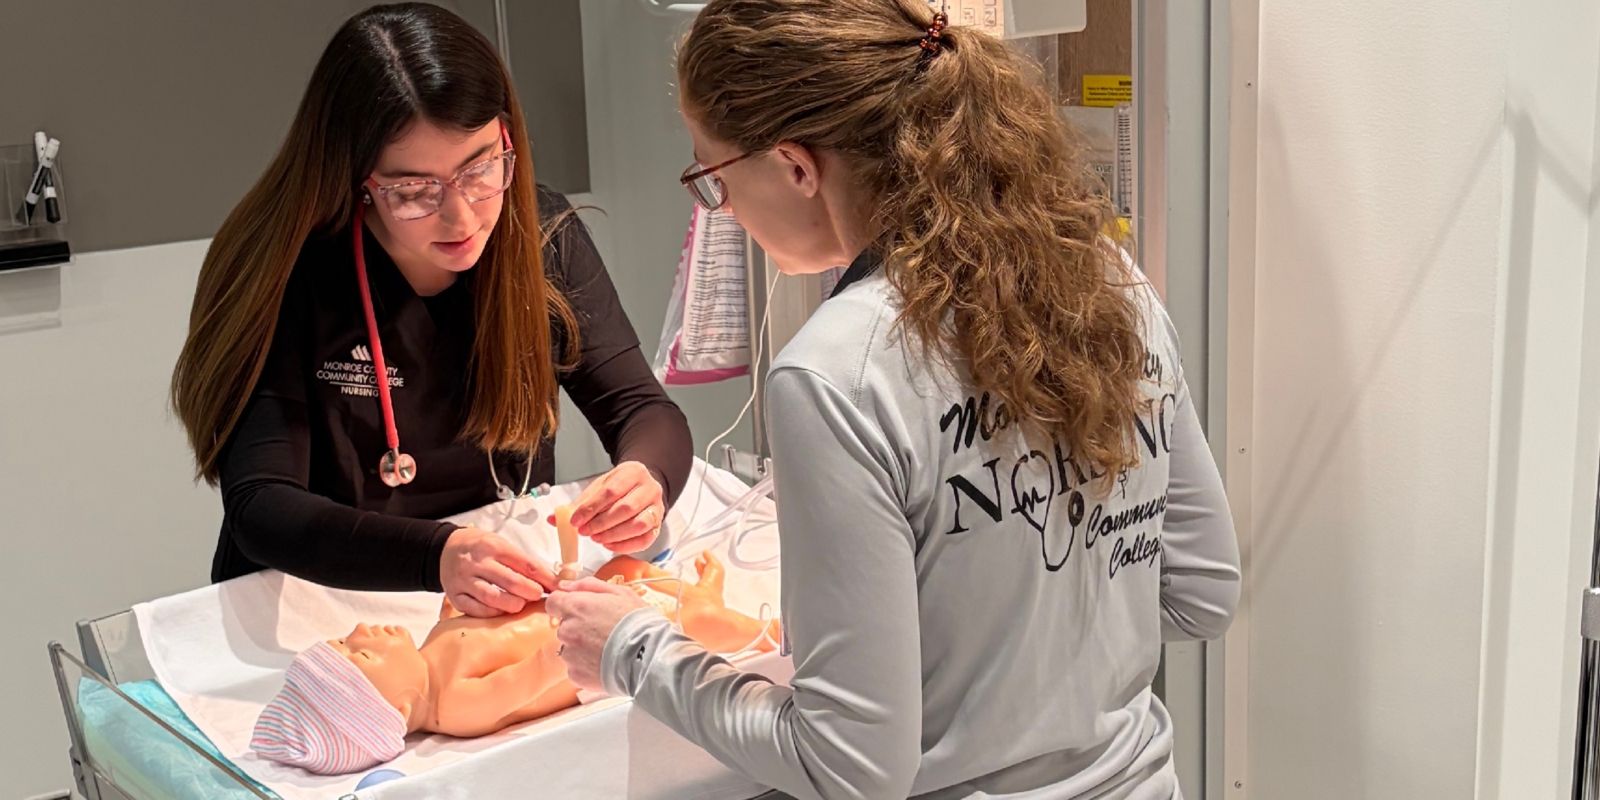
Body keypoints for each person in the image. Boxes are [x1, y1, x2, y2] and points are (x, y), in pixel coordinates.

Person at [547, 2, 1241, 799]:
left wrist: (632, 650)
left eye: (714, 180)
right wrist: (1031, 645)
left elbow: (851, 767)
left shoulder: (836, 372)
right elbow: (1200, 592)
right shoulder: (1111, 283)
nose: (723, 212)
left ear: (796, 166)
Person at [170, 3, 692, 619]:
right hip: (319, 604)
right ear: (357, 177)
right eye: (415, 192)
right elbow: (263, 507)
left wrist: (646, 477)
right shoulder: (287, 268)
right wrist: (436, 557)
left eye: (480, 169)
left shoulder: (541, 235)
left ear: (506, 137)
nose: (463, 217)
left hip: (483, 595)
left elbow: (641, 409)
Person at [248, 551, 776, 775]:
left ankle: (698, 596)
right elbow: (535, 675)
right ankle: (764, 630)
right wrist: (587, 624)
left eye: (345, 638)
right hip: (596, 640)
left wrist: (462, 601)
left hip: (586, 604)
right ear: (399, 707)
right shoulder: (456, 705)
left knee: (625, 566)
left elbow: (465, 620)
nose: (362, 630)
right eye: (361, 652)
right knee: (692, 620)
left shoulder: (431, 654)